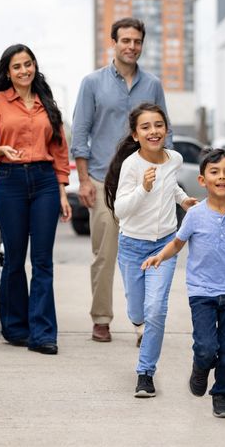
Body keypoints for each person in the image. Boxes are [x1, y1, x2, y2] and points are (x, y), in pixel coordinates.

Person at [142, 148, 225, 419]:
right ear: (202, 180)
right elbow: (177, 243)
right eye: (214, 172)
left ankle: (222, 395)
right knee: (207, 347)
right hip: (202, 293)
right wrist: (159, 256)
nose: (221, 177)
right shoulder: (195, 214)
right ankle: (201, 366)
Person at [71, 17, 171, 343]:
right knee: (105, 255)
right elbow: (80, 135)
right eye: (125, 40)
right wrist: (84, 181)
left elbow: (161, 133)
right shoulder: (92, 83)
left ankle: (142, 324)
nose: (131, 46)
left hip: (145, 182)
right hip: (103, 181)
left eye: (137, 41)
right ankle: (101, 319)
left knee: (144, 254)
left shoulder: (152, 84)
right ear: (113, 43)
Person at [0, 44, 72, 355]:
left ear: (35, 66)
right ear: (8, 72)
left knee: (43, 261)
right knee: (15, 259)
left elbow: (59, 150)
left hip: (44, 182)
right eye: (17, 66)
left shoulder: (47, 102)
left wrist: (61, 191)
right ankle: (16, 328)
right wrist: (0, 151)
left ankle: (43, 333)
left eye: (28, 64)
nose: (24, 71)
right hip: (11, 182)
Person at [104, 103, 197, 397]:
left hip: (164, 245)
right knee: (137, 309)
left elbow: (170, 187)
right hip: (132, 245)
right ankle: (137, 322)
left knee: (156, 309)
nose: (153, 131)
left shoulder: (175, 159)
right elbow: (120, 209)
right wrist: (143, 189)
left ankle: (145, 373)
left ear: (166, 129)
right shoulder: (131, 166)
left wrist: (183, 201)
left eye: (158, 125)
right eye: (145, 127)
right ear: (135, 135)